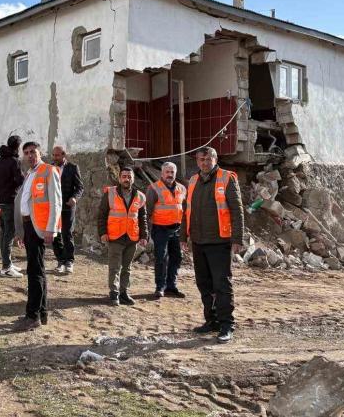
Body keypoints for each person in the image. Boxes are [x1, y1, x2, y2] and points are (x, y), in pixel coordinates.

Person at [181, 147, 244, 344]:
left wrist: (237, 238)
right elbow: (186, 210)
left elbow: (237, 210)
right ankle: (212, 321)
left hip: (220, 242)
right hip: (198, 241)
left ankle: (226, 325)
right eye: (201, 159)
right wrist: (183, 236)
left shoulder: (226, 178)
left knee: (222, 285)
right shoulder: (193, 180)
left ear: (215, 159)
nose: (205, 162)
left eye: (208, 159)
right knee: (204, 284)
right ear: (197, 161)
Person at [13, 141, 61, 330]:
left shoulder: (49, 171)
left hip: (39, 228)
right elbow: (24, 201)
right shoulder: (29, 174)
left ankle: (32, 316)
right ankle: (41, 313)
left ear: (40, 153)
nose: (30, 155)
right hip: (28, 226)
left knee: (35, 271)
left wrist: (51, 228)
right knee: (37, 270)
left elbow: (56, 202)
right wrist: (20, 231)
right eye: (26, 153)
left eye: (33, 151)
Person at [98, 167, 147, 306]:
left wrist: (144, 235)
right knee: (114, 267)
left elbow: (142, 218)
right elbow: (102, 215)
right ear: (119, 178)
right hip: (115, 236)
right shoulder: (110, 193)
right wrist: (103, 233)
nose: (127, 179)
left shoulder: (140, 196)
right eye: (124, 176)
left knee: (127, 267)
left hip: (132, 237)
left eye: (129, 176)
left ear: (133, 179)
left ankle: (124, 292)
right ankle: (114, 293)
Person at [146, 162, 186, 299]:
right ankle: (160, 287)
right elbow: (147, 211)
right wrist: (145, 232)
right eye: (167, 172)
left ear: (175, 173)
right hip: (160, 229)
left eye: (172, 172)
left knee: (177, 257)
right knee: (161, 258)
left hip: (177, 229)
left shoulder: (182, 188)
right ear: (162, 173)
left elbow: (184, 210)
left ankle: (171, 287)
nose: (170, 175)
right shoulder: (153, 188)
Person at [0, 135, 25, 278]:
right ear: (17, 147)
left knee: (4, 234)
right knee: (8, 235)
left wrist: (0, 188)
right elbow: (20, 180)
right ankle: (6, 267)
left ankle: (7, 262)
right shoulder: (14, 161)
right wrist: (13, 188)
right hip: (9, 202)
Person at [51, 145, 84, 274]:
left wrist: (74, 198)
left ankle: (69, 261)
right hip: (54, 207)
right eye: (53, 155)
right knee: (54, 235)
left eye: (57, 155)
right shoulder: (50, 168)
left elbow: (80, 187)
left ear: (64, 155)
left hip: (67, 206)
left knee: (67, 233)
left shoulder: (73, 168)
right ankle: (60, 260)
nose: (55, 158)